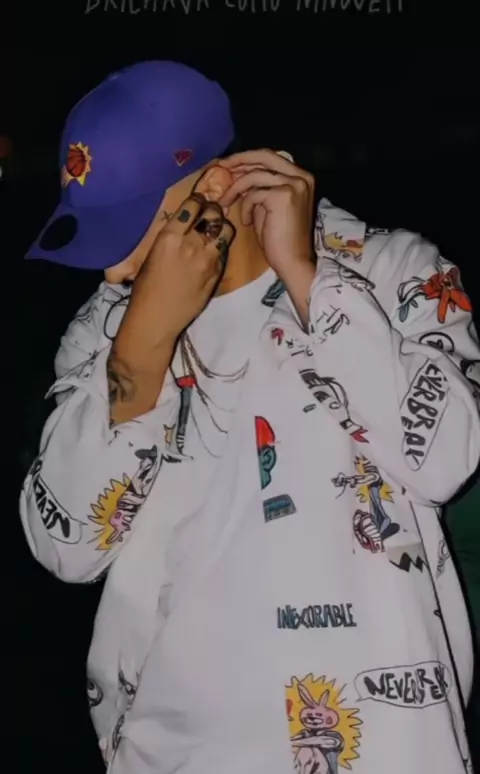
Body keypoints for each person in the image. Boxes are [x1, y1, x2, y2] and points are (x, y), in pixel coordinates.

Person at [20, 60, 480, 774]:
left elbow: (445, 459)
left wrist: (310, 279)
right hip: (171, 754)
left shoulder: (392, 271)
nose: (111, 271)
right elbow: (66, 547)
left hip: (382, 750)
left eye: (126, 229)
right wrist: (141, 348)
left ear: (213, 187)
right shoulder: (103, 329)